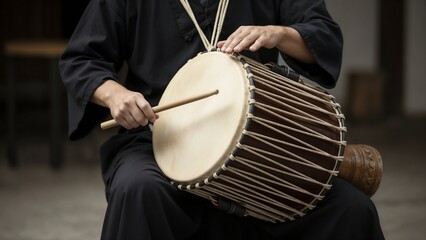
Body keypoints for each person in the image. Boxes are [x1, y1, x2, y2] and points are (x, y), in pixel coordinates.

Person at [59, 0, 385, 239]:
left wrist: (279, 34)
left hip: (260, 142)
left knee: (351, 209)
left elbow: (323, 36)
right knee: (138, 189)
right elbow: (82, 59)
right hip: (158, 138)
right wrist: (116, 94)